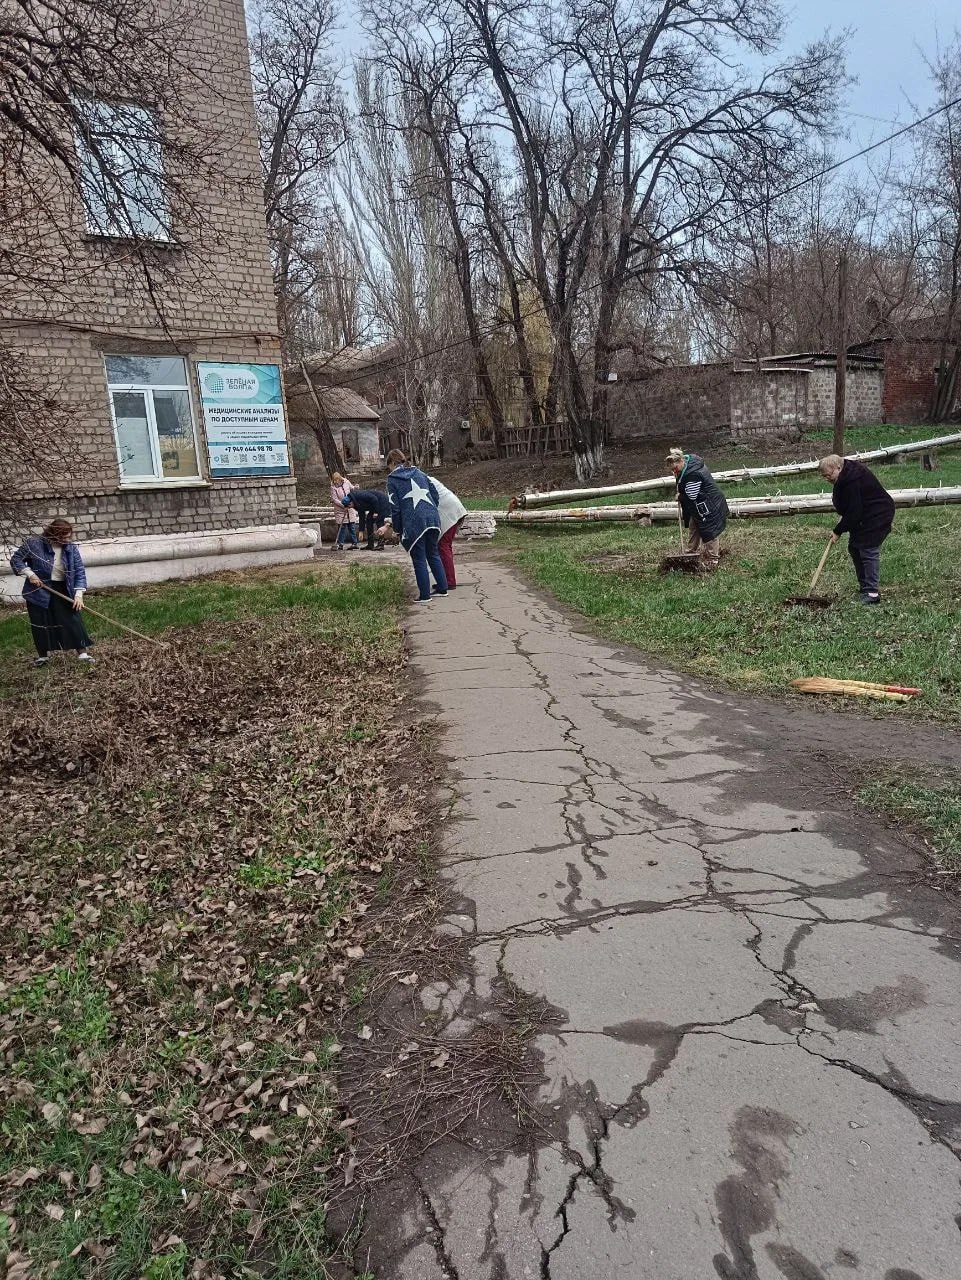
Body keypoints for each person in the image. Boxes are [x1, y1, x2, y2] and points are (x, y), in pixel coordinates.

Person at [10, 518, 94, 666]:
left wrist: (79, 594)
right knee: (40, 621)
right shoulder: (34, 544)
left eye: (69, 537)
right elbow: (16, 559)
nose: (68, 540)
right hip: (39, 590)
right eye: (64, 537)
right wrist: (30, 574)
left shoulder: (71, 548)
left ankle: (83, 653)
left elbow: (79, 571)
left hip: (64, 588)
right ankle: (43, 656)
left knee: (72, 619)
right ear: (54, 534)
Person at [819, 454, 895, 605]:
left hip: (877, 514)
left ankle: (872, 593)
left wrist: (838, 530)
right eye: (824, 476)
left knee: (868, 550)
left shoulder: (852, 479)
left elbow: (854, 511)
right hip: (863, 515)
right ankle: (865, 588)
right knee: (854, 548)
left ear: (838, 468)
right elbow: (851, 506)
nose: (827, 479)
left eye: (828, 475)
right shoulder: (844, 474)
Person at [382, 449, 448, 603]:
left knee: (419, 558)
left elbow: (395, 508)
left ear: (391, 463)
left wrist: (397, 529)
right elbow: (435, 493)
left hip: (414, 522)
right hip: (432, 518)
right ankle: (443, 588)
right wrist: (431, 509)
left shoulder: (392, 480)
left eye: (388, 466)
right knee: (433, 553)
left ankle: (425, 595)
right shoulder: (419, 473)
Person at [667, 447, 729, 570]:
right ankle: (691, 552)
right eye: (672, 470)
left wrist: (680, 496)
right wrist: (678, 476)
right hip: (699, 505)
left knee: (709, 531)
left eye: (675, 468)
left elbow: (691, 496)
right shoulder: (689, 463)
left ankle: (713, 560)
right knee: (694, 526)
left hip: (709, 505)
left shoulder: (692, 474)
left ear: (681, 461)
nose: (674, 471)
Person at [428, 474, 467, 590]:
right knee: (444, 547)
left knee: (443, 547)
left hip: (450, 512)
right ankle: (446, 580)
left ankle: (449, 581)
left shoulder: (419, 481)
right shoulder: (426, 478)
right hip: (454, 510)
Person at [330, 472, 359, 550]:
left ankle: (354, 543)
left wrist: (355, 487)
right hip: (340, 509)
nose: (335, 482)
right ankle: (341, 544)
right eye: (334, 480)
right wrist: (343, 505)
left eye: (336, 480)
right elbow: (334, 499)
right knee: (341, 527)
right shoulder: (333, 487)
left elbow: (352, 488)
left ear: (340, 479)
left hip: (350, 507)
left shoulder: (346, 482)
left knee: (351, 526)